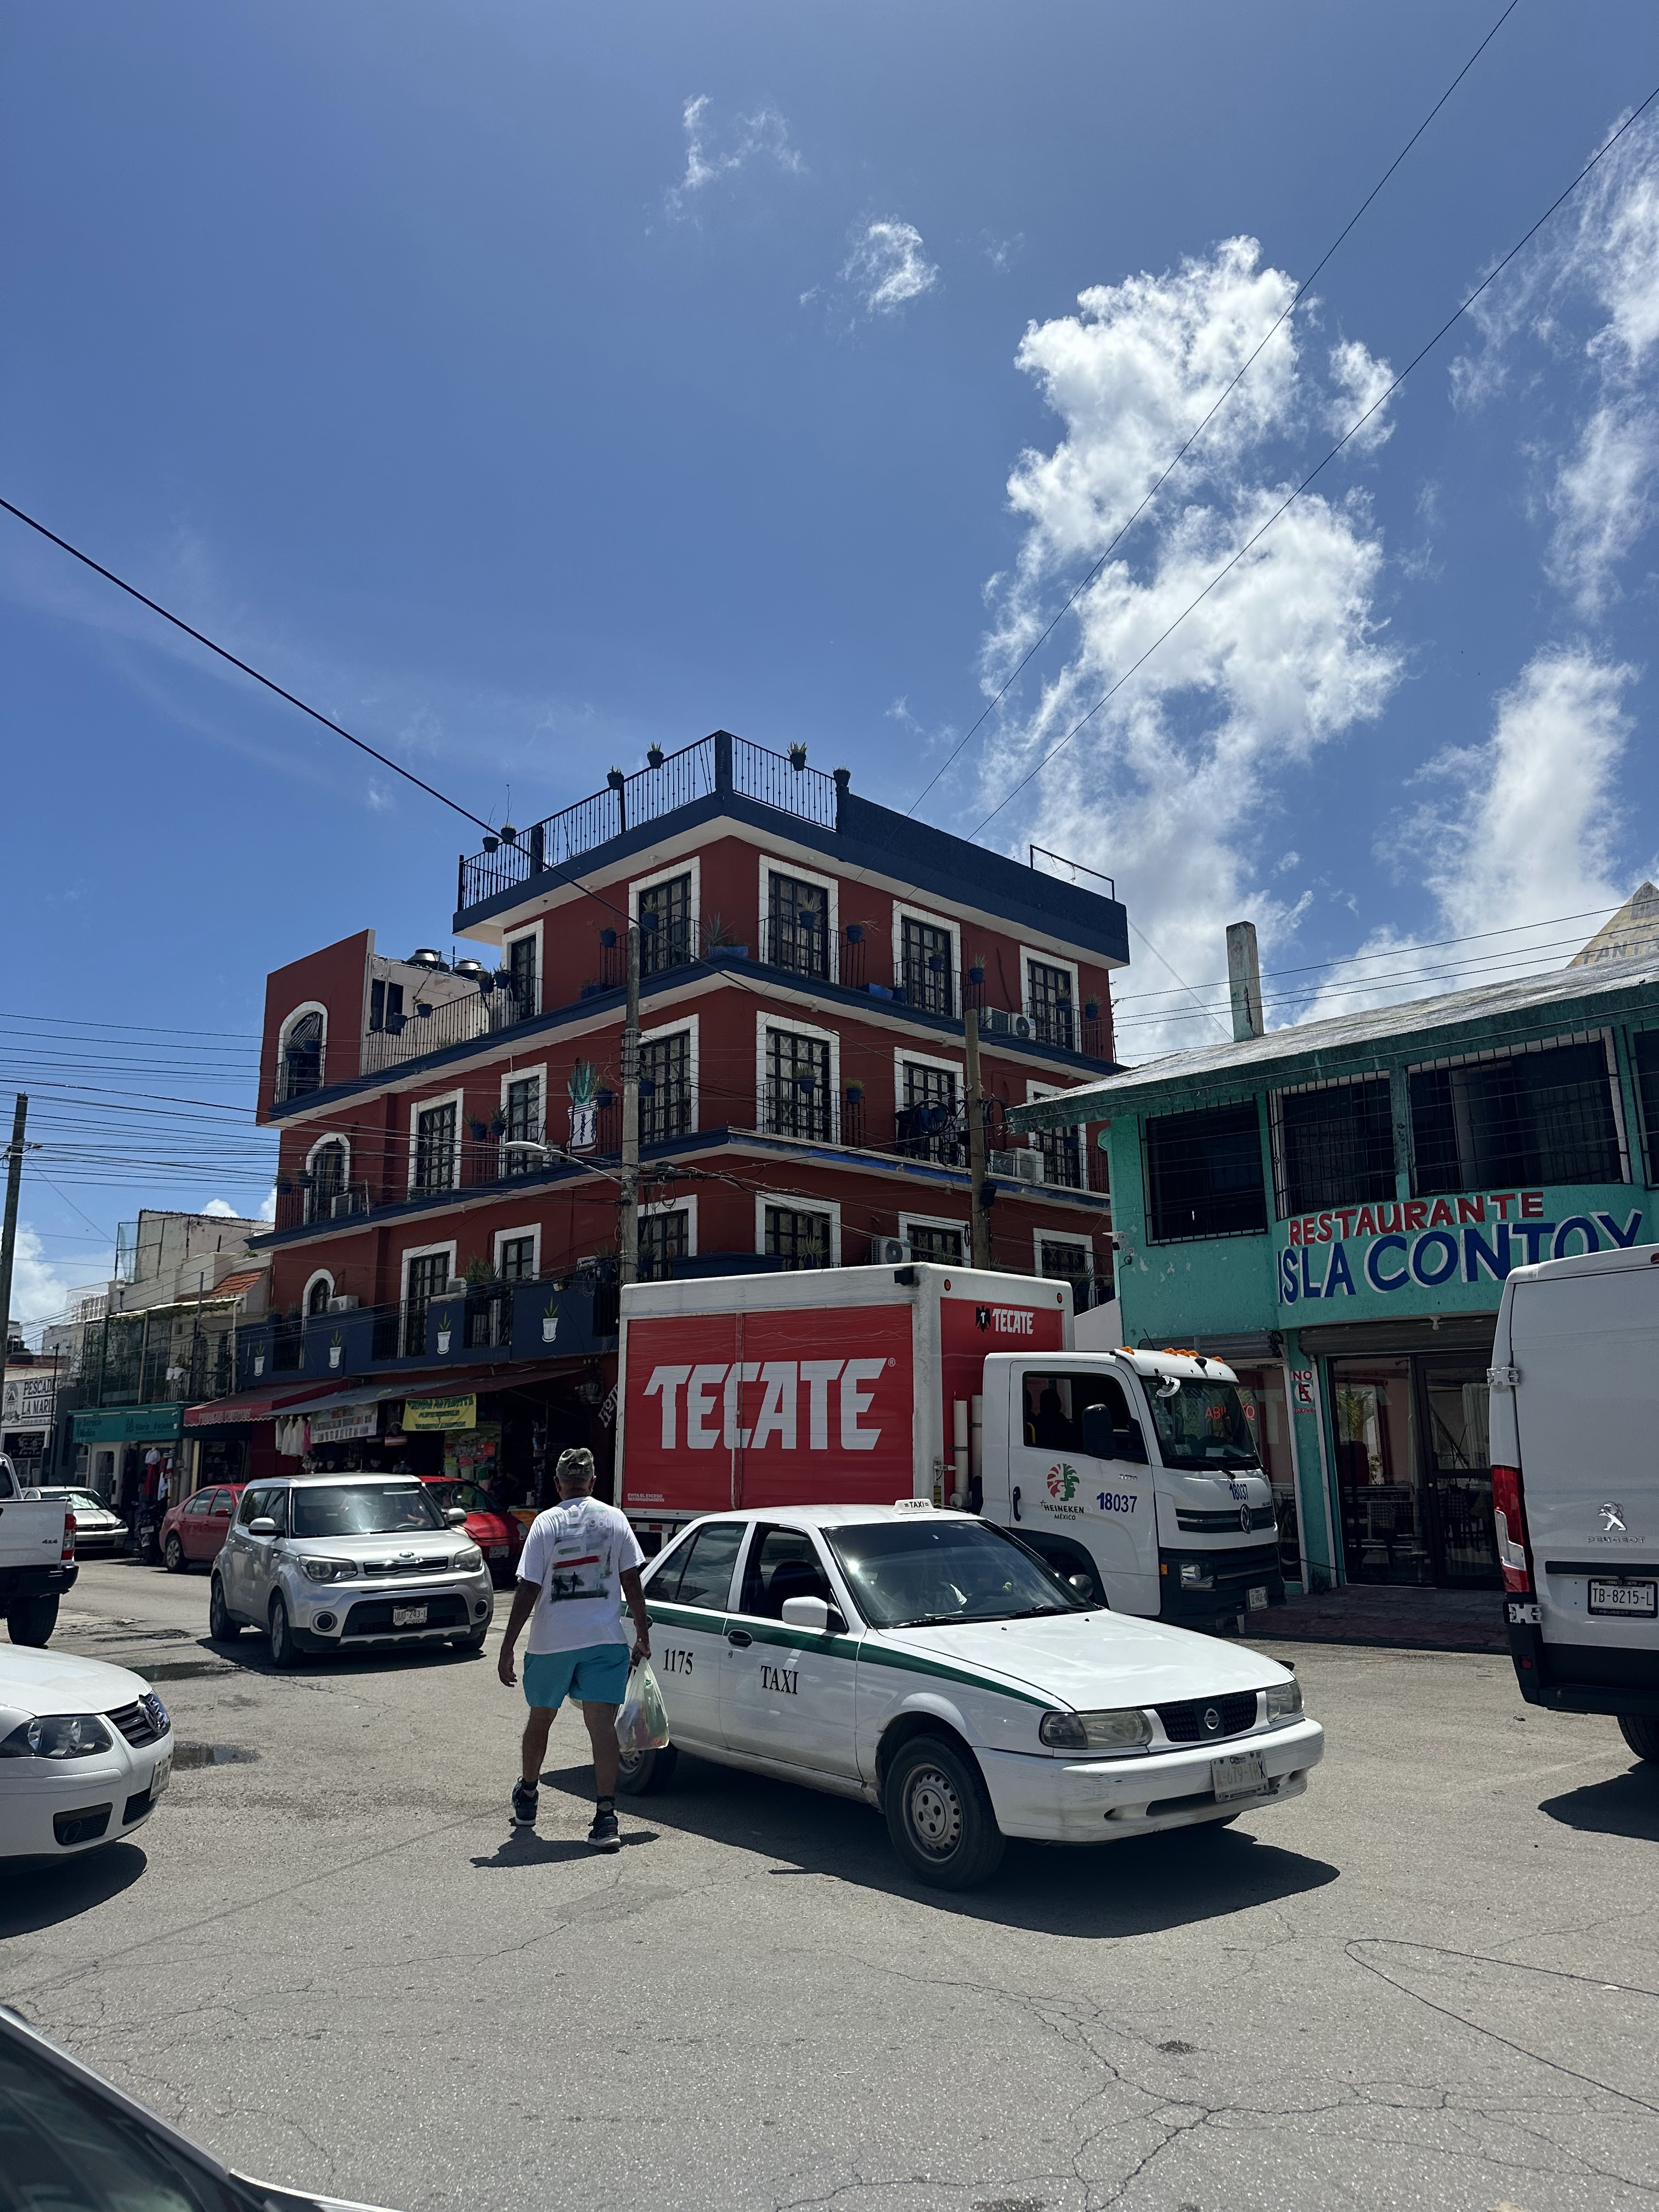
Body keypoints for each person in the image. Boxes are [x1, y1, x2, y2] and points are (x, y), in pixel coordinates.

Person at [496, 1446, 650, 1852]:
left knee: (541, 1719)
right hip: (604, 1640)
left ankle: (528, 1795)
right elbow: (631, 1579)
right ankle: (606, 1817)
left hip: (552, 1643)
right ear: (593, 1482)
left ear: (558, 1484)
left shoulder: (546, 1522)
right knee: (602, 1728)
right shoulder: (615, 1519)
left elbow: (528, 1587)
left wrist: (507, 1646)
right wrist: (642, 1633)